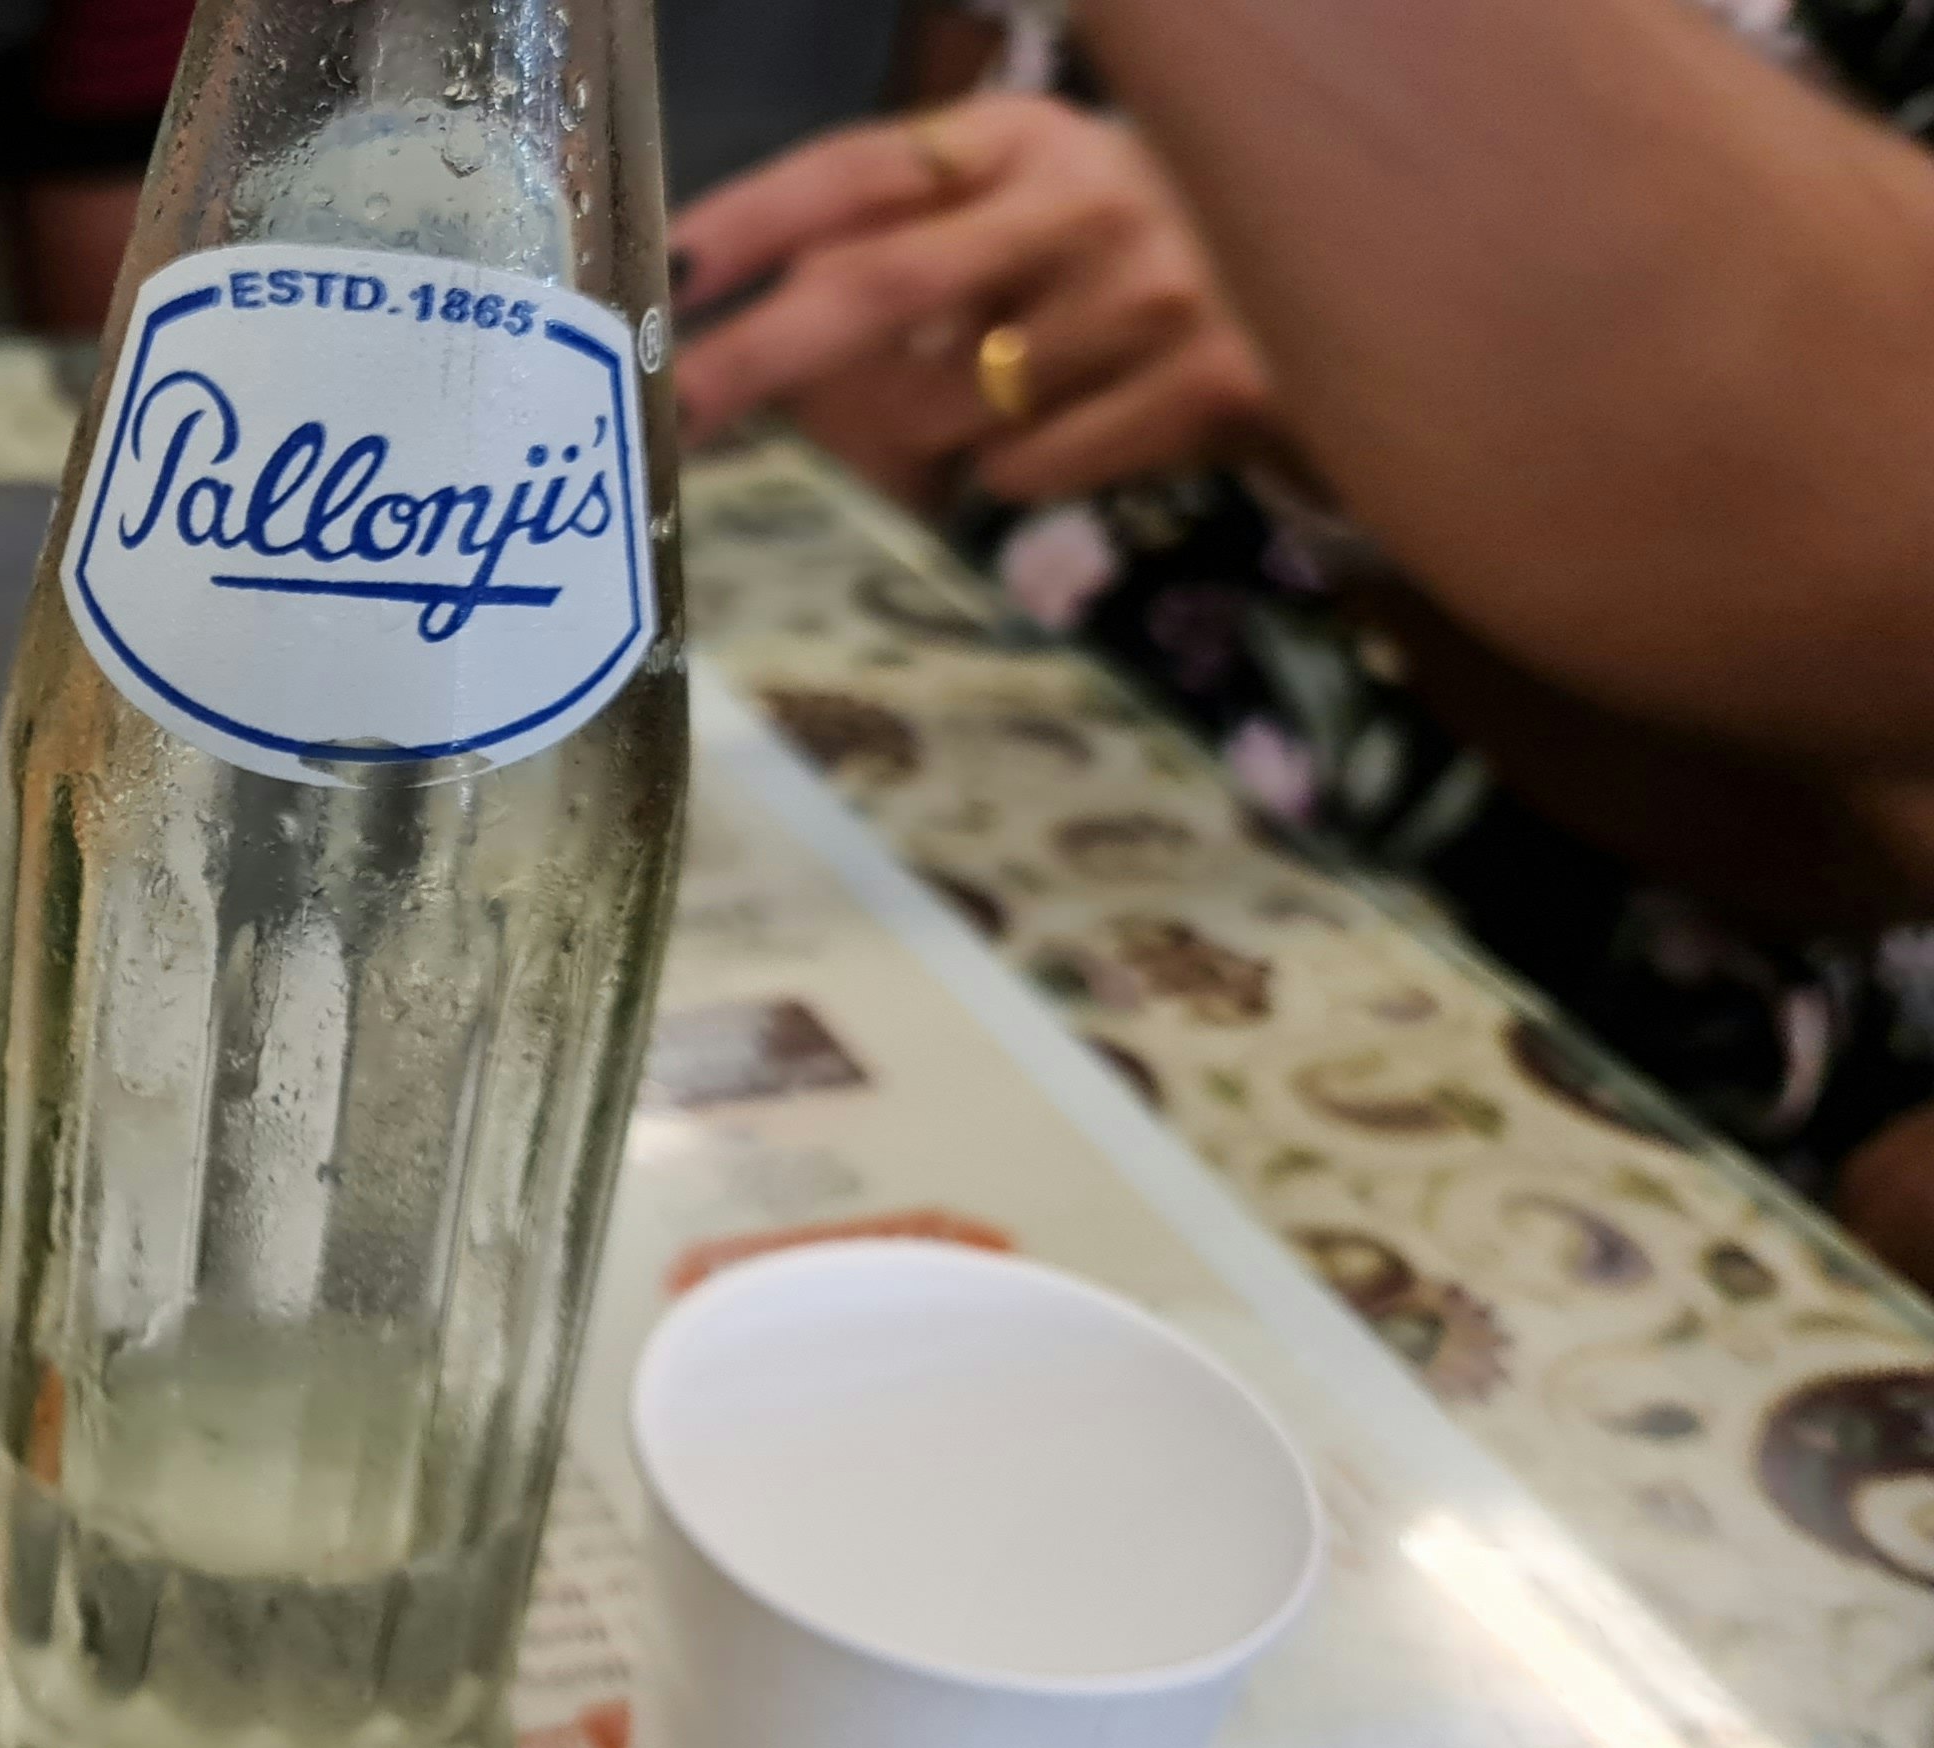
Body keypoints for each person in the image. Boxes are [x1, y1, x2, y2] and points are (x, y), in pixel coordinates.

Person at [673, 0, 1934, 1268]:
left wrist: (1344, 426)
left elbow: (1857, 815)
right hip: (967, 881)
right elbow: (903, 332)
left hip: (1540, 1086)